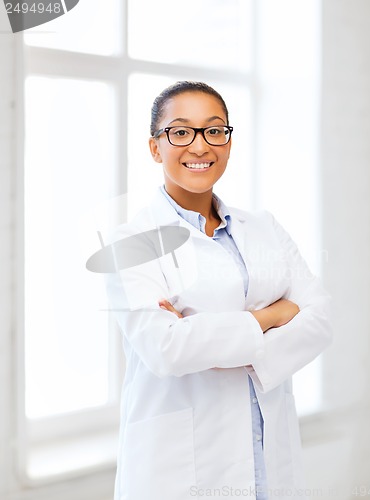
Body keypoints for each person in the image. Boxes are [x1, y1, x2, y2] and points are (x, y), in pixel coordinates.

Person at [105, 81, 332, 500]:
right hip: (181, 469)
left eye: (214, 130)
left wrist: (210, 339)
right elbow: (167, 349)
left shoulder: (263, 227)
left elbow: (319, 318)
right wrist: (271, 317)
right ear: (155, 147)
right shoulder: (131, 243)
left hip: (269, 458)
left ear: (228, 141)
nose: (199, 146)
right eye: (180, 131)